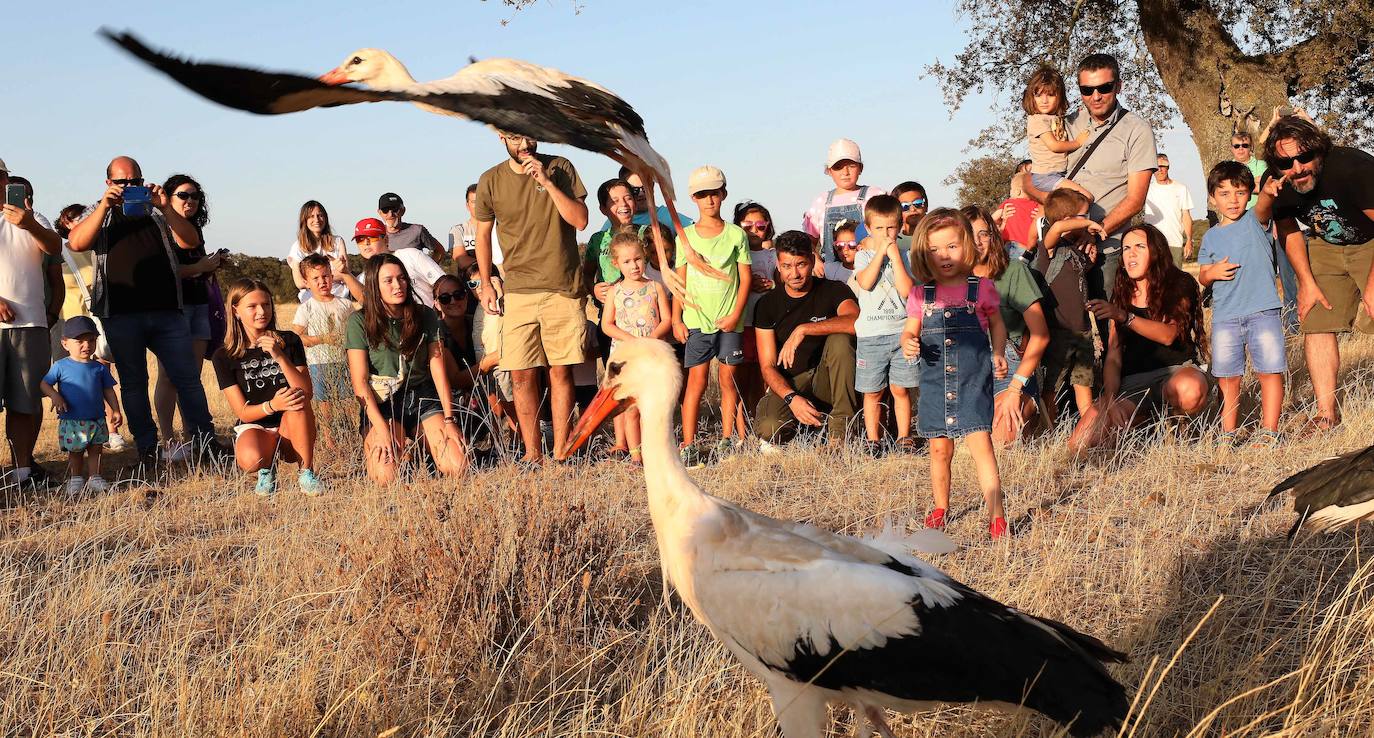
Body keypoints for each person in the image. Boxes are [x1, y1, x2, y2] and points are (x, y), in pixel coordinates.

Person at [63, 156, 226, 466]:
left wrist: (164, 206)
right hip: (121, 314)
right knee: (134, 383)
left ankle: (206, 442)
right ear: (108, 183)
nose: (128, 187)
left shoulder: (156, 210)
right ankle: (147, 450)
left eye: (134, 181)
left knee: (187, 378)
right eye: (121, 182)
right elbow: (76, 242)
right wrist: (103, 207)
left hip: (167, 311)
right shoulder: (99, 212)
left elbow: (190, 240)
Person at [474, 131, 590, 463]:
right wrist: (486, 282)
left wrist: (549, 183)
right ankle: (532, 454)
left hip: (562, 287)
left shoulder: (561, 167)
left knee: (560, 371)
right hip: (519, 289)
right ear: (500, 137)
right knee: (522, 373)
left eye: (529, 137)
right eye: (515, 138)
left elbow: (580, 221)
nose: (524, 145)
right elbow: (482, 235)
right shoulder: (491, 180)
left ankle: (562, 453)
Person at [899, 208, 1009, 539]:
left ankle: (997, 516)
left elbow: (998, 325)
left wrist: (999, 352)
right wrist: (908, 343)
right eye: (934, 249)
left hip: (972, 380)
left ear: (967, 246)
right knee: (938, 449)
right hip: (934, 382)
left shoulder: (982, 288)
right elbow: (910, 330)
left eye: (951, 246)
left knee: (981, 446)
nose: (943, 256)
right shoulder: (922, 294)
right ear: (923, 253)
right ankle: (940, 507)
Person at [1266, 116, 1374, 432]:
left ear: (1319, 151)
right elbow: (1288, 229)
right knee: (1315, 320)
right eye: (1286, 161)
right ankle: (1326, 415)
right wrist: (1306, 282)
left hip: (1371, 241)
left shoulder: (1353, 168)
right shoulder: (1277, 183)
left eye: (1304, 157)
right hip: (1326, 244)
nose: (1297, 167)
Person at [1024, 53, 1158, 301]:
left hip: (1108, 248)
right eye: (1087, 90)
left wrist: (1092, 232)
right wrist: (1065, 222)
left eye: (1104, 87)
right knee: (1065, 329)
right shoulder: (1065, 123)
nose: (1095, 96)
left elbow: (1136, 200)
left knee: (1113, 326)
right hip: (1062, 246)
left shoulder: (1137, 129)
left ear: (1118, 86)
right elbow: (1030, 180)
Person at [1070, 225, 1211, 453]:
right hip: (1133, 383)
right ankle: (1147, 421)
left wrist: (1124, 316)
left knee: (1190, 390)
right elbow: (1114, 355)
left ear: (1156, 251)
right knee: (1081, 444)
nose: (1131, 253)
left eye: (1139, 246)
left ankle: (1176, 421)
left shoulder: (1179, 283)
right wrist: (1110, 399)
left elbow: (1168, 335)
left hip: (1175, 372)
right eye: (1126, 248)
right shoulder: (1121, 290)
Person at [346, 254, 469, 482]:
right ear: (374, 285)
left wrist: (450, 421)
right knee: (385, 477)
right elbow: (360, 383)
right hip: (384, 403)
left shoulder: (425, 315)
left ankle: (423, 446)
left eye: (402, 278)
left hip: (422, 397)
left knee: (458, 465)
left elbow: (437, 370)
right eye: (389, 280)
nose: (398, 285)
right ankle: (404, 448)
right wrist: (381, 429)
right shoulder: (359, 321)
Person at [1198, 161, 1287, 446]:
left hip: (1262, 310)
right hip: (1225, 315)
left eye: (1239, 192)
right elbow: (1202, 274)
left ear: (1249, 194)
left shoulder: (1254, 220)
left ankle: (1269, 431)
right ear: (1212, 198)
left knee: (1269, 370)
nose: (1233, 200)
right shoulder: (1210, 236)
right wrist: (1211, 273)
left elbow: (1263, 205)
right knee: (1228, 377)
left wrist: (1269, 193)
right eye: (1224, 193)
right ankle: (1228, 432)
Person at [212, 279, 323, 495]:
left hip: (292, 423)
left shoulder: (289, 340)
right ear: (236, 311)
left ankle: (306, 472)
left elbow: (307, 392)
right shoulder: (223, 356)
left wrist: (280, 356)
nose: (262, 311)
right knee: (251, 459)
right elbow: (242, 411)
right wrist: (272, 405)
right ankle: (266, 469)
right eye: (252, 306)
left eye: (266, 304)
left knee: (297, 400)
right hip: (256, 425)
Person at [673, 166, 751, 464]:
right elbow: (679, 281)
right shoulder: (686, 237)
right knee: (697, 382)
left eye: (714, 194)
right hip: (696, 322)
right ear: (693, 198)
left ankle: (728, 438)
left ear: (724, 195)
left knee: (728, 381)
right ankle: (689, 443)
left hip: (728, 322)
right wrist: (678, 318)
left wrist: (735, 315)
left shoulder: (736, 235)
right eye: (702, 195)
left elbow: (744, 279)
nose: (709, 200)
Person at [752, 231, 858, 446]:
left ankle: (841, 432)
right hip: (792, 382)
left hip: (827, 379)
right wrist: (791, 398)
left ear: (811, 261)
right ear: (778, 266)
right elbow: (768, 366)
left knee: (840, 339)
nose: (794, 273)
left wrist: (804, 329)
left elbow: (855, 322)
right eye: (787, 266)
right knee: (769, 428)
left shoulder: (834, 289)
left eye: (800, 264)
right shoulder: (766, 305)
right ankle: (810, 427)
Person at [153, 174, 226, 460]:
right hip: (172, 309)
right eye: (183, 195)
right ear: (168, 198)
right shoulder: (159, 227)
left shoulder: (193, 228)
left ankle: (192, 438)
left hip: (198, 305)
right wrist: (200, 266)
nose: (190, 200)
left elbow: (194, 266)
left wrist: (210, 266)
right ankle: (169, 442)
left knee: (191, 377)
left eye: (195, 196)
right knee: (169, 376)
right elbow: (163, 273)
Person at [965, 205, 1050, 446]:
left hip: (1010, 364)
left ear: (993, 236)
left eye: (984, 233)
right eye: (969, 234)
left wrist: (1015, 388)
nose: (978, 241)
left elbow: (1040, 335)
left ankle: (1027, 405)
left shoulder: (1013, 271)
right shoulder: (951, 277)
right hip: (966, 366)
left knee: (1000, 439)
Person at [0, 162, 63, 487]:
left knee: (24, 401)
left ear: (6, 179)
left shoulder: (31, 217)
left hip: (30, 324)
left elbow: (53, 246)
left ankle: (23, 471)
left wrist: (28, 224)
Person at [851, 195, 916, 452]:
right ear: (868, 229)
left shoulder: (906, 256)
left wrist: (896, 258)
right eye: (879, 228)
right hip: (871, 335)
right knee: (872, 392)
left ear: (899, 227)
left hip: (900, 333)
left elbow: (907, 290)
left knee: (900, 388)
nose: (886, 234)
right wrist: (880, 253)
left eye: (891, 228)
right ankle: (873, 440)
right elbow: (865, 283)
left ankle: (904, 437)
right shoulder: (863, 256)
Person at [600, 233, 671, 464]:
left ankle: (655, 451)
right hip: (626, 358)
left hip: (651, 355)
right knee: (630, 408)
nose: (634, 266)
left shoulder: (655, 287)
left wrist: (649, 340)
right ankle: (635, 456)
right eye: (627, 261)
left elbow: (666, 320)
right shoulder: (615, 292)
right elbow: (607, 325)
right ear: (616, 264)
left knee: (651, 406)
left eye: (638, 259)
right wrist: (631, 340)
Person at [1034, 189, 1104, 424]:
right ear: (1067, 221)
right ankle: (1048, 430)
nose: (1087, 221)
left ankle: (1088, 431)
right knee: (1051, 389)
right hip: (1058, 334)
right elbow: (1055, 229)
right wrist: (1091, 223)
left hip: (1083, 333)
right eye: (1084, 216)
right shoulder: (1049, 248)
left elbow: (1076, 279)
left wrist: (1090, 263)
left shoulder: (1075, 250)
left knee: (1084, 386)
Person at [38, 316, 122, 495]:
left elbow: (108, 390)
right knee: (75, 451)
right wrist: (55, 396)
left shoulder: (98, 368)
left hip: (96, 418)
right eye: (80, 341)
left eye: (91, 340)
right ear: (65, 343)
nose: (87, 345)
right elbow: (44, 384)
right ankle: (76, 478)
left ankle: (95, 477)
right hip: (72, 419)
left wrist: (115, 410)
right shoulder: (61, 366)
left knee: (96, 448)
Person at [1234, 128, 1299, 330]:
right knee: (1255, 274)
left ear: (1251, 147)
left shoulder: (1262, 165)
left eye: (1245, 145)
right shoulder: (1227, 168)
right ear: (1231, 148)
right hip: (1242, 226)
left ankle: (1292, 321)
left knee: (1285, 273)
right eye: (1237, 146)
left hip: (1269, 222)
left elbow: (1267, 189)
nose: (1241, 149)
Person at [289, 253, 357, 447]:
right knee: (325, 405)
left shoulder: (345, 304)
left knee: (348, 403)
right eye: (315, 278)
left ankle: (351, 438)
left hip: (344, 361)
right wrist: (321, 339)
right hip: (319, 363)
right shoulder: (307, 307)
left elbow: (354, 331)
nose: (322, 282)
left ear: (331, 275)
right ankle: (329, 442)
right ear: (306, 282)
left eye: (326, 276)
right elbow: (296, 338)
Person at [802, 138, 885, 263]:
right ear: (829, 171)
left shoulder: (875, 196)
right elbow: (809, 241)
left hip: (870, 271)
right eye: (838, 167)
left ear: (860, 168)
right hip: (831, 274)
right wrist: (815, 259)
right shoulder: (821, 201)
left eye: (851, 166)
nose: (845, 172)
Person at [1022, 65, 1094, 201]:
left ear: (1060, 97)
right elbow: (1054, 145)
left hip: (1058, 174)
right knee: (1086, 197)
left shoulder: (1055, 118)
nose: (1044, 100)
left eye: (1050, 95)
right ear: (1031, 96)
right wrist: (1078, 142)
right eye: (1038, 95)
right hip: (1045, 176)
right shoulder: (1037, 120)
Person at [735, 201, 778, 425]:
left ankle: (762, 422)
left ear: (768, 227)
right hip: (742, 323)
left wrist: (769, 285)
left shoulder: (773, 256)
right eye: (747, 225)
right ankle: (742, 428)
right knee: (741, 377)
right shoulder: (734, 256)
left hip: (766, 325)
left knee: (764, 374)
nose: (754, 230)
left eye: (760, 225)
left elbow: (782, 285)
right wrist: (746, 283)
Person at [342, 218, 447, 308]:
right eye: (360, 239)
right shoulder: (364, 278)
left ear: (386, 239)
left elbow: (442, 283)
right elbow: (368, 304)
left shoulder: (410, 255)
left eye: (372, 237)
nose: (366, 243)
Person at [287, 201, 350, 303]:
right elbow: (299, 282)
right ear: (305, 220)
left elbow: (346, 273)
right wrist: (331, 276)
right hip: (311, 299)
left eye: (320, 215)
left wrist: (313, 277)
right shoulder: (297, 247)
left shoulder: (338, 241)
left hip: (339, 296)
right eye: (311, 216)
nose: (316, 219)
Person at [1142, 154, 1195, 266]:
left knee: (1174, 280)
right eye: (1156, 167)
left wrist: (1189, 240)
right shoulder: (1146, 189)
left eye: (1163, 166)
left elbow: (1186, 216)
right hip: (1153, 243)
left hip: (1174, 242)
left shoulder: (1181, 188)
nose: (1160, 170)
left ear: (1168, 167)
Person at [376, 192, 445, 263]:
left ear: (403, 211)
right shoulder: (375, 235)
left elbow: (439, 251)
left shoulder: (417, 230)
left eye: (395, 209)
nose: (390, 214)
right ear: (380, 213)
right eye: (385, 210)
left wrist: (427, 269)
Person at [446, 184, 480, 270]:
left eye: (482, 201)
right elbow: (461, 260)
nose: (479, 205)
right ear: (467, 205)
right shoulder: (458, 230)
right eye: (474, 202)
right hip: (470, 281)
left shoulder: (500, 229)